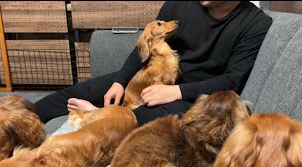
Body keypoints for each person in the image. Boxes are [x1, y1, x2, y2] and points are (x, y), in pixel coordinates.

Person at [35, 1, 272, 126]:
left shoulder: (255, 23)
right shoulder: (180, 3)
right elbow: (143, 48)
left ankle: (101, 119)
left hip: (193, 96)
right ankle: (23, 116)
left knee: (179, 118)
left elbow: (232, 80)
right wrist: (120, 81)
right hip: (152, 76)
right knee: (92, 88)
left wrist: (176, 91)